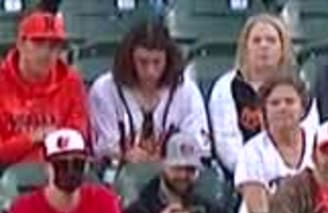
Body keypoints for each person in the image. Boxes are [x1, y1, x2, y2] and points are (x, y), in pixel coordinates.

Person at [88, 20, 208, 166]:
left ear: (168, 59)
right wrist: (124, 156)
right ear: (130, 59)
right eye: (143, 62)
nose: (150, 71)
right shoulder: (105, 89)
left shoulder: (186, 90)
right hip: (118, 175)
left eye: (157, 62)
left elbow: (199, 146)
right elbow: (102, 149)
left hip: (177, 176)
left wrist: (165, 160)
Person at [207, 13, 303, 179]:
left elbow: (308, 136)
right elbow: (227, 147)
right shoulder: (226, 87)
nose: (264, 46)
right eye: (256, 40)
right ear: (245, 48)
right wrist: (259, 174)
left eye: (271, 40)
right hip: (243, 177)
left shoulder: (299, 87)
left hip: (295, 178)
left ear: (283, 48)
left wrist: (288, 176)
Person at [0, 12, 86, 169]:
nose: (46, 53)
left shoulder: (72, 82)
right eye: (38, 43)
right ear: (21, 43)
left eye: (54, 46)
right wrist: (32, 139)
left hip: (58, 172)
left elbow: (76, 142)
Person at [233, 75, 316, 213]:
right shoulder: (252, 151)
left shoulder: (319, 142)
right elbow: (258, 210)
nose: (282, 108)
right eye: (274, 103)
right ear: (264, 110)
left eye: (290, 102)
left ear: (303, 109)